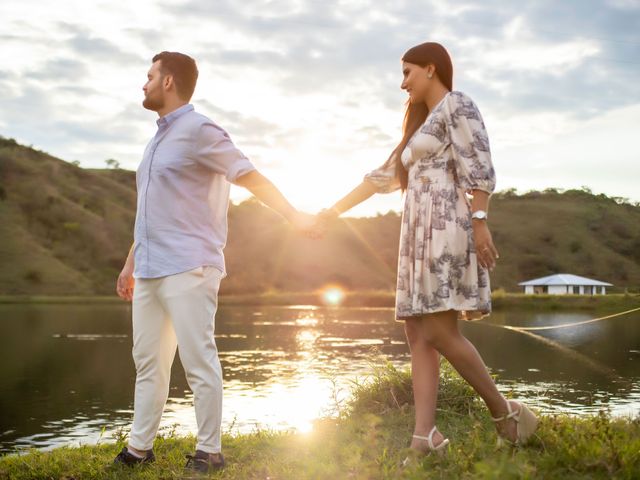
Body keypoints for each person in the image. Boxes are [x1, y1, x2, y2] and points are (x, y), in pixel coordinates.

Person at [320, 42, 538, 455]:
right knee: (417, 330)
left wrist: (480, 221)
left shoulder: (457, 104)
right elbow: (381, 177)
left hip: (446, 227)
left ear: (430, 69)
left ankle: (504, 413)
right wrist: (331, 212)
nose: (403, 83)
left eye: (407, 72)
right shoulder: (420, 127)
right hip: (417, 232)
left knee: (438, 328)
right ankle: (425, 436)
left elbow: (479, 163)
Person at [113, 51, 316, 473]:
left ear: (168, 82)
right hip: (150, 267)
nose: (143, 83)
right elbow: (152, 209)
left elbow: (248, 173)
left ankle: (210, 451)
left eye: (149, 76)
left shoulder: (199, 129)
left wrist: (294, 216)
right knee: (148, 362)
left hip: (190, 265)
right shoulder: (156, 140)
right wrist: (131, 261)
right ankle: (138, 448)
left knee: (198, 359)